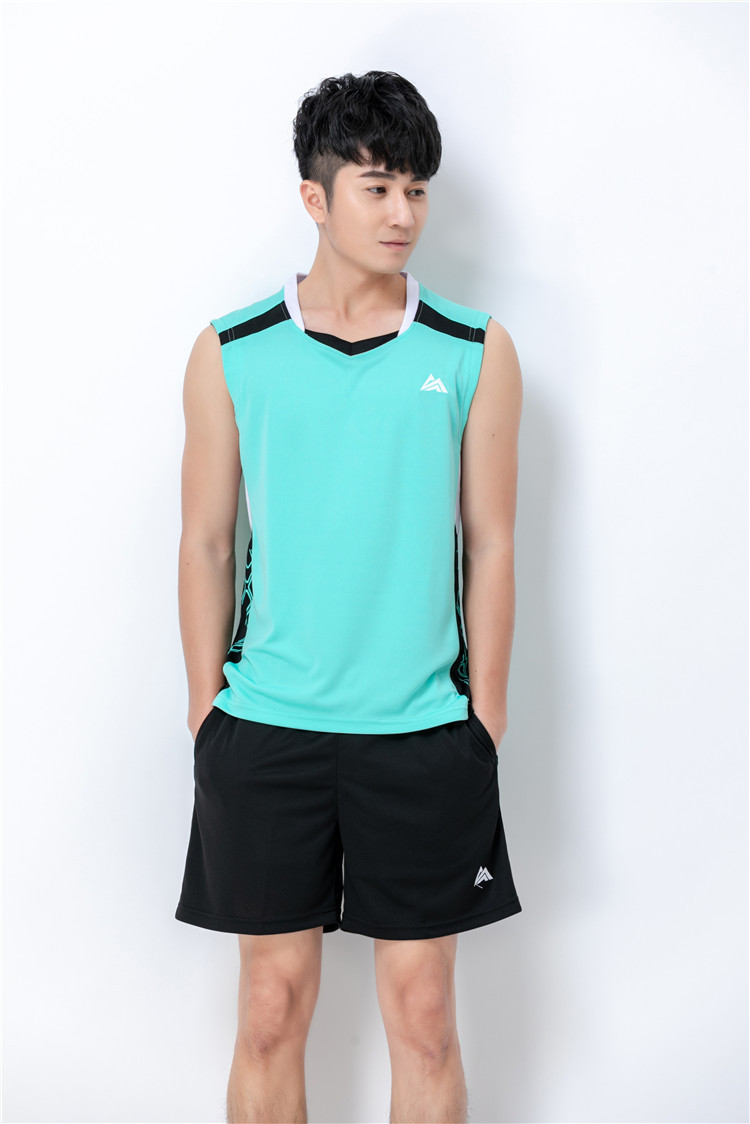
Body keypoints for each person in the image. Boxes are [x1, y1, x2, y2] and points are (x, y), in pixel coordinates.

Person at [175, 70, 523, 1124]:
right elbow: (205, 540)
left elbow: (492, 543)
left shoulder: (473, 349)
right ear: (315, 198)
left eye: (416, 189)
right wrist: (207, 711)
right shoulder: (233, 350)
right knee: (269, 1011)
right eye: (377, 188)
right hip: (267, 729)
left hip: (421, 734)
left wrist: (485, 720)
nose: (403, 212)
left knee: (425, 1017)